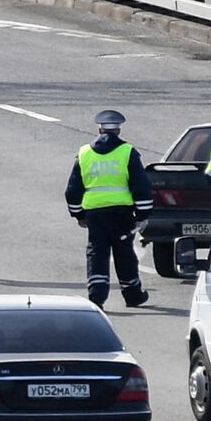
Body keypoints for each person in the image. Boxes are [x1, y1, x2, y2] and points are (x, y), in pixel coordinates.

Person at [64, 110, 152, 310]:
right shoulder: (128, 152)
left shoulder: (85, 153)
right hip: (122, 213)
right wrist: (143, 215)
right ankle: (133, 295)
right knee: (124, 253)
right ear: (118, 129)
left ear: (99, 128)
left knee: (97, 253)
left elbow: (73, 189)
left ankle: (97, 298)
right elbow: (141, 186)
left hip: (94, 214)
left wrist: (78, 214)